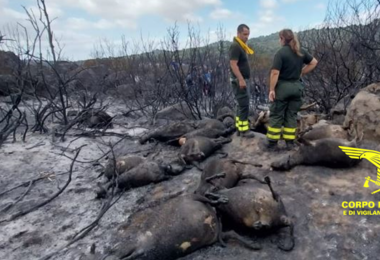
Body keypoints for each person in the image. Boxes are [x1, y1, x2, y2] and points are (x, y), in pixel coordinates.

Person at [266, 29, 318, 151]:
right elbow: (314, 62)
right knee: (291, 115)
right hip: (297, 88)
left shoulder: (281, 53)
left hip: (283, 89)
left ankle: (272, 144)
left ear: (282, 39)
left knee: (277, 115)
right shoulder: (300, 51)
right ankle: (290, 143)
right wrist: (301, 72)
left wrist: (271, 89)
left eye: (280, 38)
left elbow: (274, 73)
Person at [229, 24, 256, 138]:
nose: (247, 37)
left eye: (248, 34)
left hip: (243, 79)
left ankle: (239, 128)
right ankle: (244, 131)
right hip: (239, 80)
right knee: (244, 105)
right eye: (245, 34)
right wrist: (240, 79)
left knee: (241, 105)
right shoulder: (235, 46)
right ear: (238, 33)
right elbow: (233, 64)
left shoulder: (242, 46)